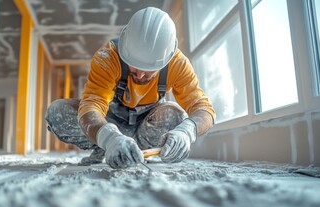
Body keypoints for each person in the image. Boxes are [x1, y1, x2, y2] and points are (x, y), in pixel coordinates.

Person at [45, 7, 215, 169]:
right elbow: (91, 106)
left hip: (146, 129)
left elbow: (204, 109)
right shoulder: (107, 57)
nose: (140, 75)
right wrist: (109, 138)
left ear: (166, 60)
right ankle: (107, 145)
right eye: (133, 66)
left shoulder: (178, 64)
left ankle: (139, 152)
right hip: (109, 121)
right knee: (57, 112)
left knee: (176, 115)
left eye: (149, 70)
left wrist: (187, 132)